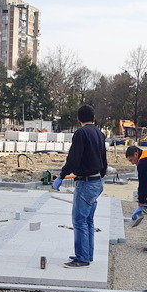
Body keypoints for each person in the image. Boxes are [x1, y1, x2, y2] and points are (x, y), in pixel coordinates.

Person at [52, 104, 108, 268]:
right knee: (88, 220)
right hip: (96, 181)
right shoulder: (99, 133)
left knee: (79, 221)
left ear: (78, 118)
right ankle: (87, 253)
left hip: (86, 182)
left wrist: (61, 176)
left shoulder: (81, 133)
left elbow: (73, 159)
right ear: (94, 118)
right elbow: (103, 158)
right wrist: (100, 175)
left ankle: (82, 258)